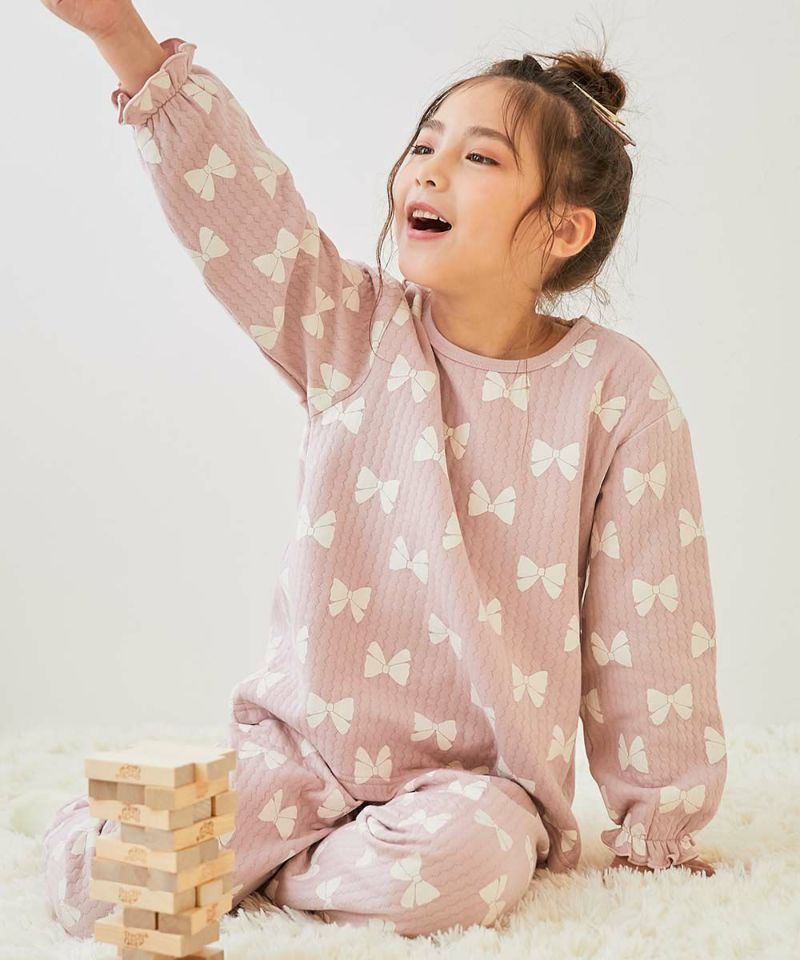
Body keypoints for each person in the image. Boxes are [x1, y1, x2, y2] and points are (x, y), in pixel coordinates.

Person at [38, 0, 726, 940]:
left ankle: (275, 874)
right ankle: (291, 860)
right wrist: (121, 37)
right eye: (425, 145)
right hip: (302, 754)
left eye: (480, 158)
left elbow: (650, 621)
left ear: (563, 231)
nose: (428, 168)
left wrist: (662, 827)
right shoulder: (352, 330)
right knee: (99, 882)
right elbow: (245, 214)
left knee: (457, 870)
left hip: (476, 789)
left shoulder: (617, 391)